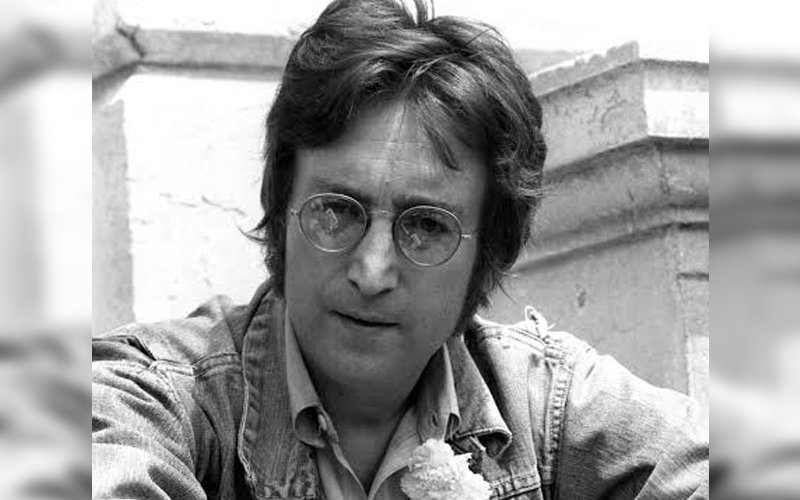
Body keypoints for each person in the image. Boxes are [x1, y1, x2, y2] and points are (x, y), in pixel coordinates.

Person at [92, 0, 709, 498]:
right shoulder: (157, 399)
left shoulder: (546, 406)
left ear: (487, 254)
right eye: (337, 211)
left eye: (426, 226)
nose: (372, 271)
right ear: (282, 211)